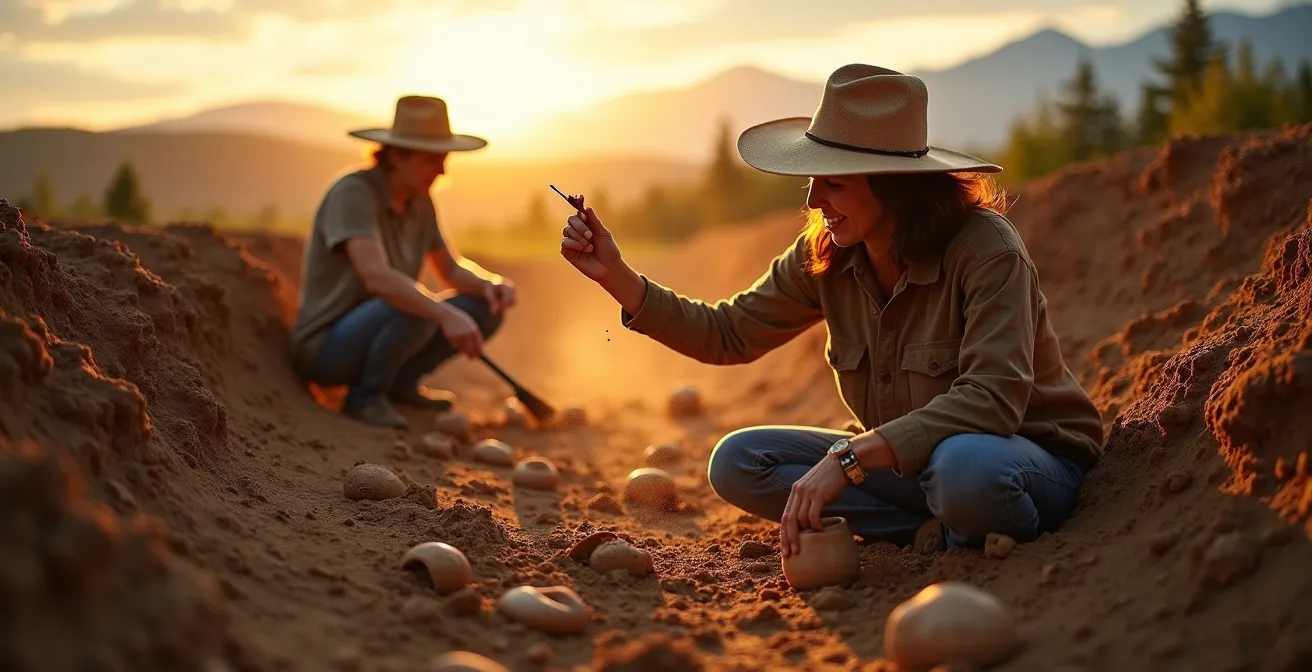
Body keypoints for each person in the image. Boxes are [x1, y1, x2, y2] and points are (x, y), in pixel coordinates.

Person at [557, 64, 1105, 556]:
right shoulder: (825, 251)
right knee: (739, 462)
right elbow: (729, 333)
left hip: (1024, 462)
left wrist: (850, 458)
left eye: (834, 183)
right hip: (906, 465)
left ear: (894, 188)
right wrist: (617, 276)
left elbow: (992, 401)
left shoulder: (987, 251)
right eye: (813, 180)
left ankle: (972, 533)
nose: (815, 201)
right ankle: (932, 532)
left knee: (964, 469)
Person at [289, 95, 516, 430]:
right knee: (417, 307)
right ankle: (364, 398)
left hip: (388, 323)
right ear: (397, 155)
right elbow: (377, 278)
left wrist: (490, 284)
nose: (442, 170)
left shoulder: (421, 203)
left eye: (445, 159)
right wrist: (443, 312)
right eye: (431, 159)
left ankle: (398, 385)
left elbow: (450, 269)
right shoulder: (353, 193)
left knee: (482, 307)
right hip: (327, 349)